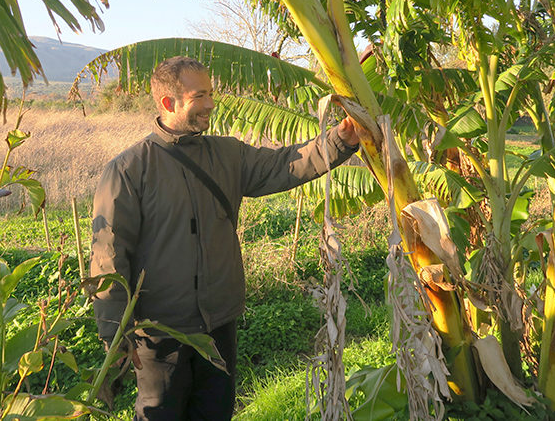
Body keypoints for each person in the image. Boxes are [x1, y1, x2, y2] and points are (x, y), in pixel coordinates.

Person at [90, 56, 359, 420]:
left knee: (215, 413)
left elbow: (284, 164)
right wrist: (115, 334)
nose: (211, 104)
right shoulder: (129, 169)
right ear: (169, 103)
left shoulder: (227, 154)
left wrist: (339, 141)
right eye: (199, 95)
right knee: (160, 414)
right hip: (158, 334)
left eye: (211, 93)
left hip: (218, 326)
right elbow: (109, 256)